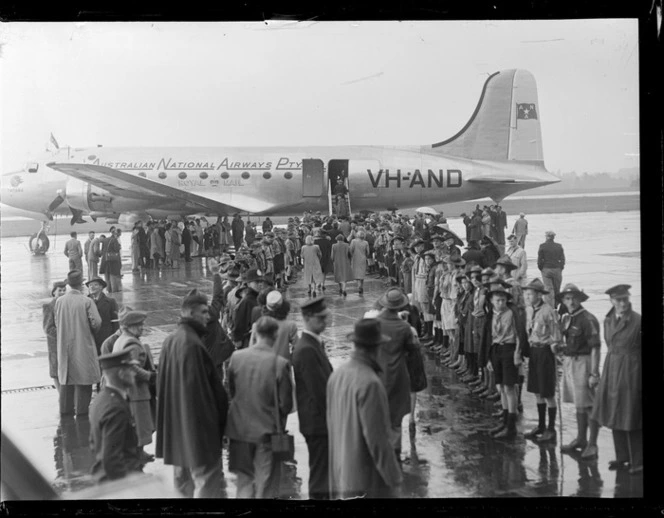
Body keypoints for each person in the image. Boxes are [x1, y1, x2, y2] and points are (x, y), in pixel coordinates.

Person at [156, 289, 229, 498]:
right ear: (189, 313)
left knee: (182, 484)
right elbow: (201, 395)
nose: (209, 316)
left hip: (177, 430)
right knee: (208, 483)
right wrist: (217, 429)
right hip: (198, 433)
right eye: (204, 312)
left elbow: (163, 387)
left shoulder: (171, 340)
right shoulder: (192, 344)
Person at [327, 319, 403, 499]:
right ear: (376, 348)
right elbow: (379, 441)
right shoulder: (370, 383)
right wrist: (394, 480)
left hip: (341, 474)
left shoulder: (337, 375)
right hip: (366, 481)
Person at [226, 316, 293, 498]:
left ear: (256, 333)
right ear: (275, 335)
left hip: (239, 431)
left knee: (244, 482)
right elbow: (286, 404)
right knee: (265, 482)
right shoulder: (280, 364)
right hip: (266, 432)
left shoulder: (236, 357)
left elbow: (232, 391)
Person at [590, 284, 642, 475]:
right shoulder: (608, 320)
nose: (622, 303)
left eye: (625, 299)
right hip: (612, 370)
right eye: (618, 300)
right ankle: (622, 457)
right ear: (611, 301)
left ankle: (639, 460)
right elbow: (610, 345)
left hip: (632, 372)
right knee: (614, 411)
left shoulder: (637, 321)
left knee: (633, 414)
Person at [292, 297, 333, 499]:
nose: (325, 322)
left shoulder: (312, 344)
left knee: (324, 474)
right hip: (318, 423)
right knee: (320, 477)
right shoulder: (307, 349)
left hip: (318, 422)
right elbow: (320, 393)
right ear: (308, 318)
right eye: (320, 318)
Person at [556, 283, 602, 458]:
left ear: (580, 299)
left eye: (574, 297)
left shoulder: (587, 319)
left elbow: (595, 348)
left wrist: (594, 373)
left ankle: (593, 444)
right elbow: (568, 341)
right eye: (567, 298)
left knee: (589, 405)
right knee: (578, 403)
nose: (571, 301)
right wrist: (558, 347)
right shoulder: (568, 318)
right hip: (570, 363)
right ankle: (581, 439)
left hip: (584, 364)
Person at [376, 288, 418, 463]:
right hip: (399, 374)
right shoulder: (404, 327)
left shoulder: (376, 323)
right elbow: (413, 350)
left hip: (379, 373)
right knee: (396, 417)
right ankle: (395, 451)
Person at [88, 349, 143, 483]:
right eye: (130, 369)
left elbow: (93, 442)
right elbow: (111, 460)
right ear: (121, 373)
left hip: (103, 475)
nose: (134, 373)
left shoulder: (101, 399)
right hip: (117, 481)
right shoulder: (116, 408)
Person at [55, 270, 102, 417]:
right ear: (81, 284)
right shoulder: (86, 301)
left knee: (66, 380)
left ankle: (65, 413)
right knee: (84, 380)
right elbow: (97, 322)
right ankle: (82, 414)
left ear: (68, 284)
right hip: (83, 344)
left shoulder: (59, 301)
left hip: (64, 346)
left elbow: (57, 323)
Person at [111, 310, 156, 464]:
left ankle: (138, 454)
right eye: (139, 325)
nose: (142, 327)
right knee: (140, 424)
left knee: (135, 423)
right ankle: (137, 456)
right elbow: (132, 367)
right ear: (129, 327)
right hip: (136, 391)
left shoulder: (121, 339)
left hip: (126, 390)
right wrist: (150, 376)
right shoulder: (131, 342)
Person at [522, 279, 562, 444]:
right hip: (534, 352)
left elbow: (556, 335)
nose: (528, 296)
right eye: (527, 293)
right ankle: (540, 425)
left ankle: (551, 429)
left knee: (548, 392)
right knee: (537, 390)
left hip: (546, 352)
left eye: (530, 293)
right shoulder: (531, 310)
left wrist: (555, 345)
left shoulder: (548, 311)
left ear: (539, 295)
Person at [484, 284, 525, 440]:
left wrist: (517, 354)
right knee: (500, 386)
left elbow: (519, 334)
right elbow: (489, 337)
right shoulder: (491, 314)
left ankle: (511, 426)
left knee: (509, 387)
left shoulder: (512, 313)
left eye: (503, 300)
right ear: (492, 301)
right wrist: (489, 358)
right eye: (497, 300)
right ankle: (505, 421)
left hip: (509, 350)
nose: (500, 303)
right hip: (496, 350)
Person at [232, 269, 267, 349]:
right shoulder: (247, 301)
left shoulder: (260, 298)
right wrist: (238, 339)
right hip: (250, 340)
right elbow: (239, 322)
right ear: (248, 284)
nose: (260, 284)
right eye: (256, 282)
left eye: (261, 281)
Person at [43, 280, 68, 393]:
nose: (62, 292)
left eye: (64, 290)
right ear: (54, 292)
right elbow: (48, 328)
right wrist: (62, 334)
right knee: (56, 372)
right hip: (55, 345)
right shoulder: (49, 306)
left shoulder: (66, 305)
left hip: (66, 344)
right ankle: (61, 395)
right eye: (60, 291)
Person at [86, 277, 119, 356]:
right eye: (90, 285)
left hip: (106, 337)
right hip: (90, 337)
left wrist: (115, 338)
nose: (92, 287)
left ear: (101, 287)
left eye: (95, 285)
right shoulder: (85, 302)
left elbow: (115, 322)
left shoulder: (110, 302)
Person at [537, 230, 565, 307]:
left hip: (546, 269)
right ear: (553, 237)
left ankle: (550, 307)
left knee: (548, 289)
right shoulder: (559, 246)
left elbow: (540, 259)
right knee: (557, 288)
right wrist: (561, 267)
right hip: (557, 269)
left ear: (546, 237)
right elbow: (562, 258)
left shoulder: (542, 246)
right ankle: (556, 306)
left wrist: (541, 268)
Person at [350, 230, 370, 295]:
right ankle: (361, 286)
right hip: (363, 258)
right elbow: (368, 252)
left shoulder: (353, 241)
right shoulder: (366, 242)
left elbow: (351, 250)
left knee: (357, 273)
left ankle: (359, 286)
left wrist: (352, 255)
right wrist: (365, 256)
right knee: (362, 273)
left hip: (355, 258)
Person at [104, 229, 123, 293]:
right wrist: (119, 246)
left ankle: (109, 289)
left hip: (107, 259)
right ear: (114, 234)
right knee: (114, 275)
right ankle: (114, 290)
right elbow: (116, 249)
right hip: (114, 259)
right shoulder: (114, 240)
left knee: (108, 275)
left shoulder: (106, 239)